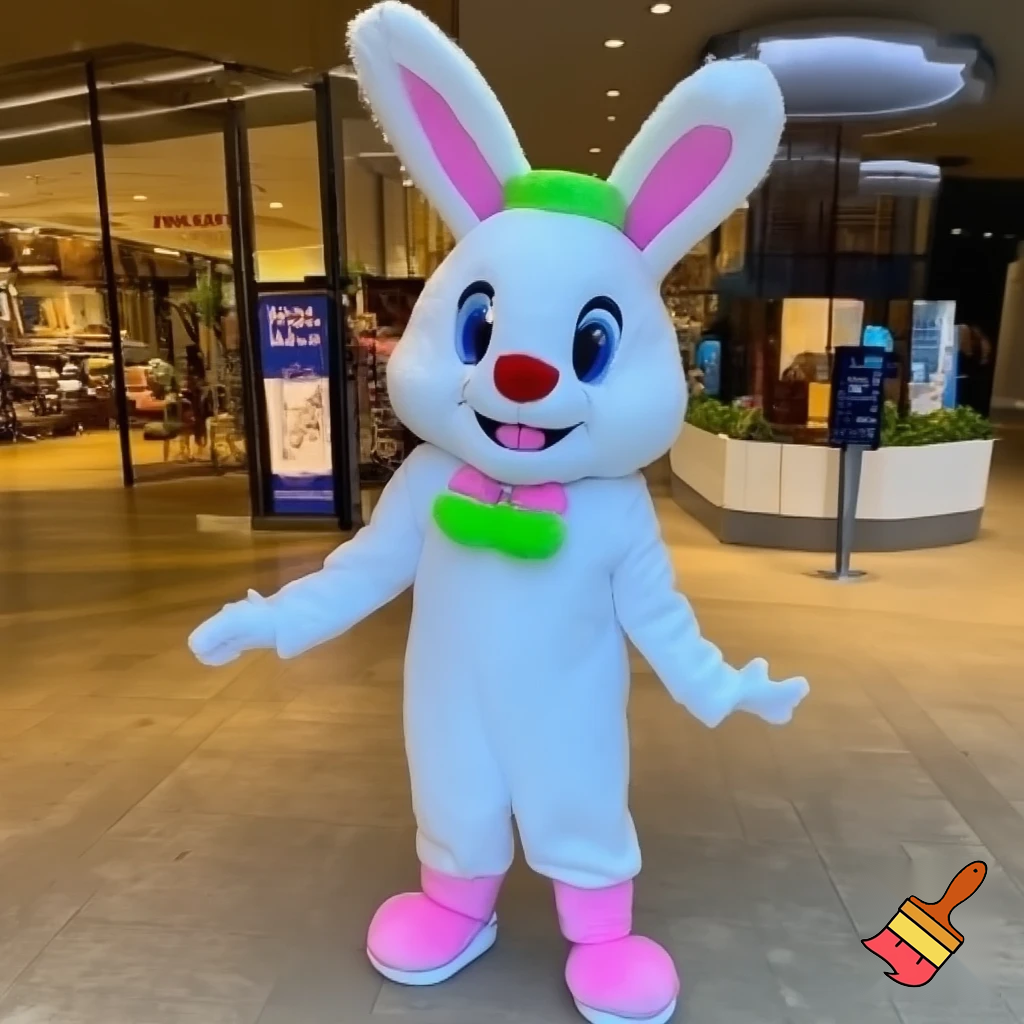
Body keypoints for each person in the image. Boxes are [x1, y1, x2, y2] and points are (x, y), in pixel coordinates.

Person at [187, 6, 809, 1023]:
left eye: (588, 351)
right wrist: (277, 616)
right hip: (447, 693)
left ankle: (601, 932)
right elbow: (368, 566)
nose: (520, 376)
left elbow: (659, 615)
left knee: (579, 798)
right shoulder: (433, 481)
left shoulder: (610, 510)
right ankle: (456, 903)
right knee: (454, 790)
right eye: (482, 332)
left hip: (568, 701)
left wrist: (721, 683)